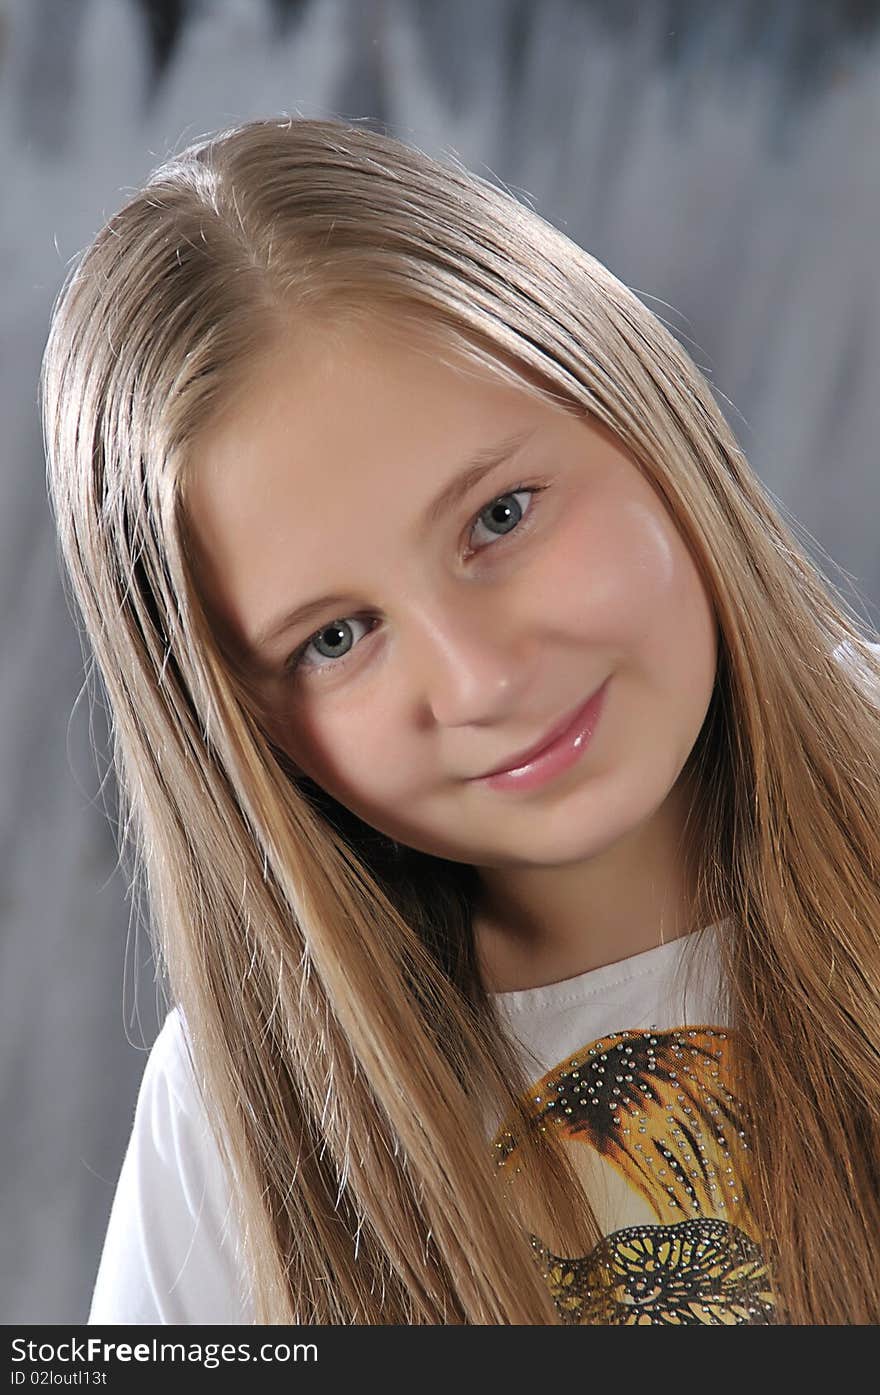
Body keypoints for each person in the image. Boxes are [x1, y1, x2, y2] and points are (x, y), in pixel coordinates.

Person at [40, 115, 880, 1326]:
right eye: (335, 639)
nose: (480, 680)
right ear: (235, 728)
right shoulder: (236, 1125)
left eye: (500, 517)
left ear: (633, 405)